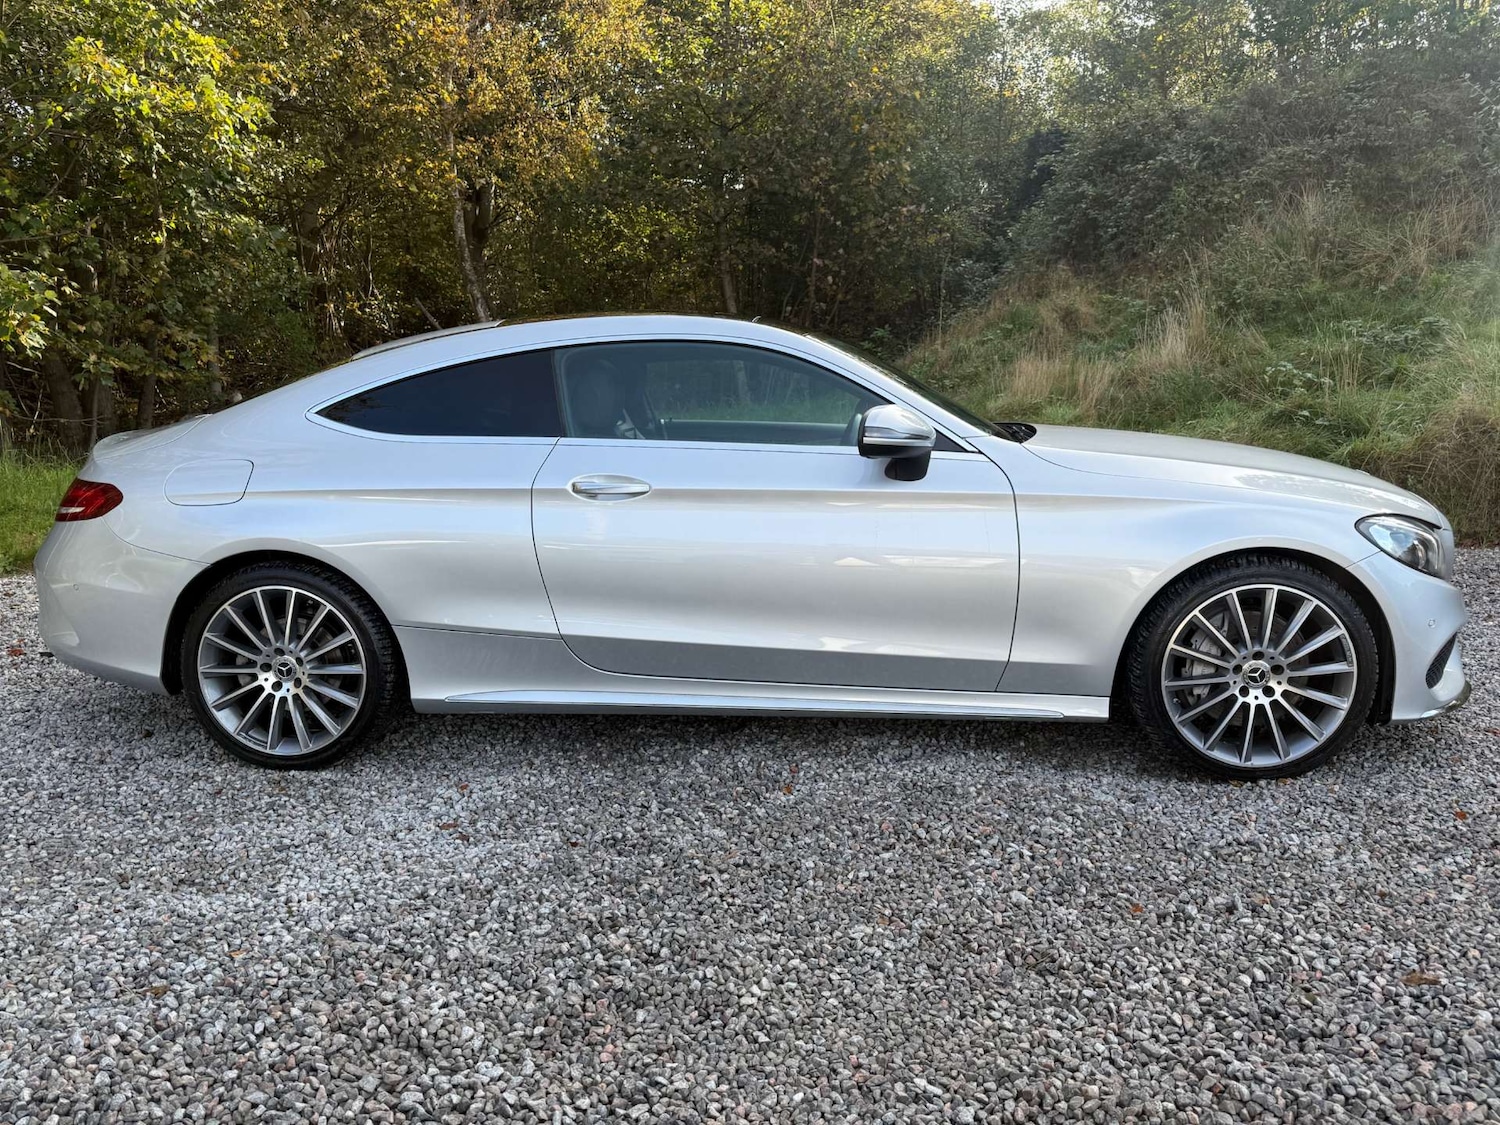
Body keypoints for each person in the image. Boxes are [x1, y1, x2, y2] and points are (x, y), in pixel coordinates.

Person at [566, 356, 645, 439]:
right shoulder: (579, 442)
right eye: (610, 386)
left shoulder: (621, 437)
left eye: (618, 388)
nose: (619, 398)